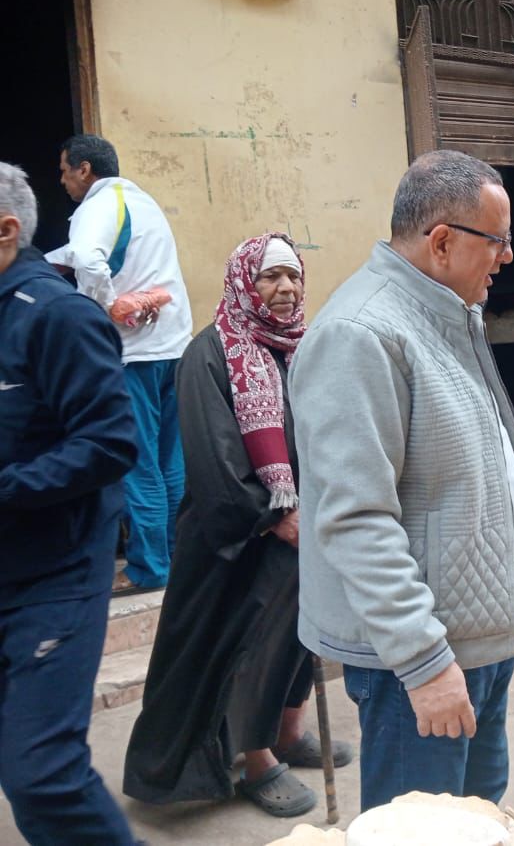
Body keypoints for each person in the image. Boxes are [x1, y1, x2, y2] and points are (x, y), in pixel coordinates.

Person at [290, 149, 514, 812]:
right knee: (421, 825)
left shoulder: (445, 311)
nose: (508, 256)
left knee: (476, 812)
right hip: (419, 657)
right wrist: (425, 663)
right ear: (442, 241)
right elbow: (356, 517)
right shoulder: (361, 334)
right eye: (498, 241)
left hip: (472, 635)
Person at [123, 233, 352, 817]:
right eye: (270, 277)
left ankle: (288, 732)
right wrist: (274, 515)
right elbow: (213, 456)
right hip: (235, 537)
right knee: (250, 648)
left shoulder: (302, 345)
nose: (285, 288)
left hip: (303, 522)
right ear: (244, 283)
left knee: (298, 640)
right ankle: (256, 759)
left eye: (292, 276)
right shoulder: (210, 353)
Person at [0, 162, 141, 845]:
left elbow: (112, 443)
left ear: (5, 231)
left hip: (54, 575)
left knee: (43, 775)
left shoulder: (58, 316)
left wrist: (8, 487)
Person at [46, 134, 193, 594]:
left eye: (65, 170)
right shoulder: (140, 201)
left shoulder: (97, 206)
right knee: (169, 461)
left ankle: (149, 567)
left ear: (84, 169)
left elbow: (89, 259)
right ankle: (176, 559)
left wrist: (107, 305)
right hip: (172, 346)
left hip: (134, 353)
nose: (63, 180)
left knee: (138, 462)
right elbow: (94, 255)